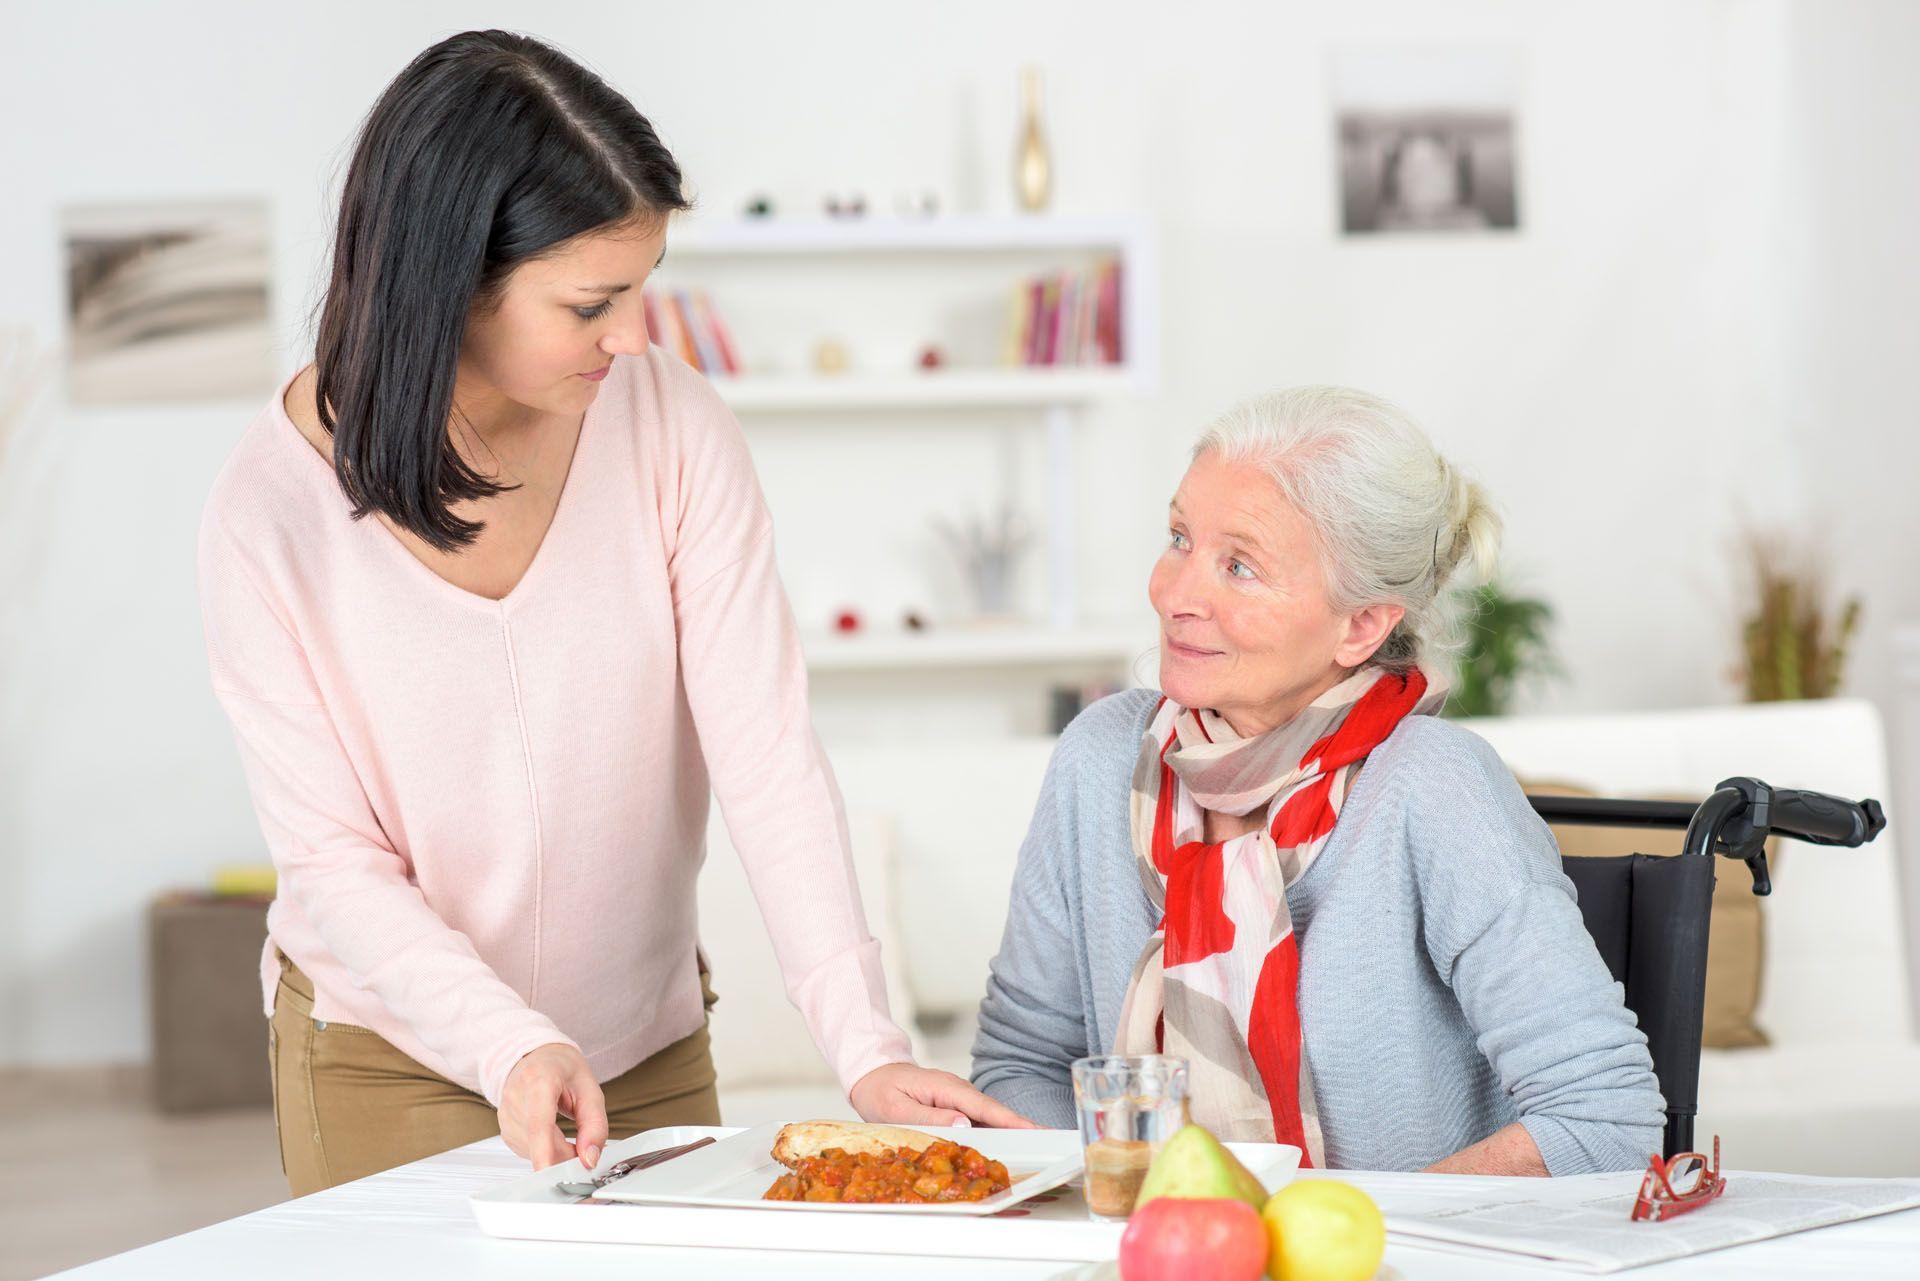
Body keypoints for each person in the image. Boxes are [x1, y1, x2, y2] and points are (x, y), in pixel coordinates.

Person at [198, 29, 1024, 1197]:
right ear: (451, 284)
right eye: (594, 301)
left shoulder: (674, 428)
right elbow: (333, 861)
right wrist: (509, 1042)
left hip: (642, 1051)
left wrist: (866, 1047)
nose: (634, 336)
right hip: (391, 1059)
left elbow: (767, 753)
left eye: (645, 289)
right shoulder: (267, 511)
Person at [971, 386, 1664, 1174]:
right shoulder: (1099, 758)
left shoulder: (1435, 789)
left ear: (1362, 624)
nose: (1174, 594)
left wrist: (1326, 1236)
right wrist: (1156, 1215)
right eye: (1178, 538)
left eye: (1239, 565)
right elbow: (1018, 1066)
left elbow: (1607, 1120)